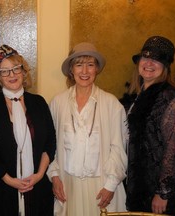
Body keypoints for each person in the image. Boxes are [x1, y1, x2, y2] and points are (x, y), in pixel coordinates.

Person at [46, 42, 128, 215]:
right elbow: (49, 146)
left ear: (96, 69)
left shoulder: (111, 104)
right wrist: (54, 177)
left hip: (101, 187)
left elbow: (119, 148)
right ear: (71, 70)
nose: (84, 71)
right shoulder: (57, 103)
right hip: (68, 186)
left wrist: (111, 185)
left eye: (90, 65)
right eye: (79, 64)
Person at [0, 44, 56, 216]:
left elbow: (50, 142)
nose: (11, 75)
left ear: (24, 71)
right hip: (4, 187)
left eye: (15, 68)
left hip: (39, 185)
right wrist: (9, 180)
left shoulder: (39, 103)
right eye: (4, 71)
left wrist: (40, 174)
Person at [123, 36, 175, 215]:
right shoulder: (139, 94)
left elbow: (174, 150)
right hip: (138, 184)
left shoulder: (169, 98)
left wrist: (163, 193)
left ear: (165, 67)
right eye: (146, 57)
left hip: (156, 191)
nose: (149, 63)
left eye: (157, 59)